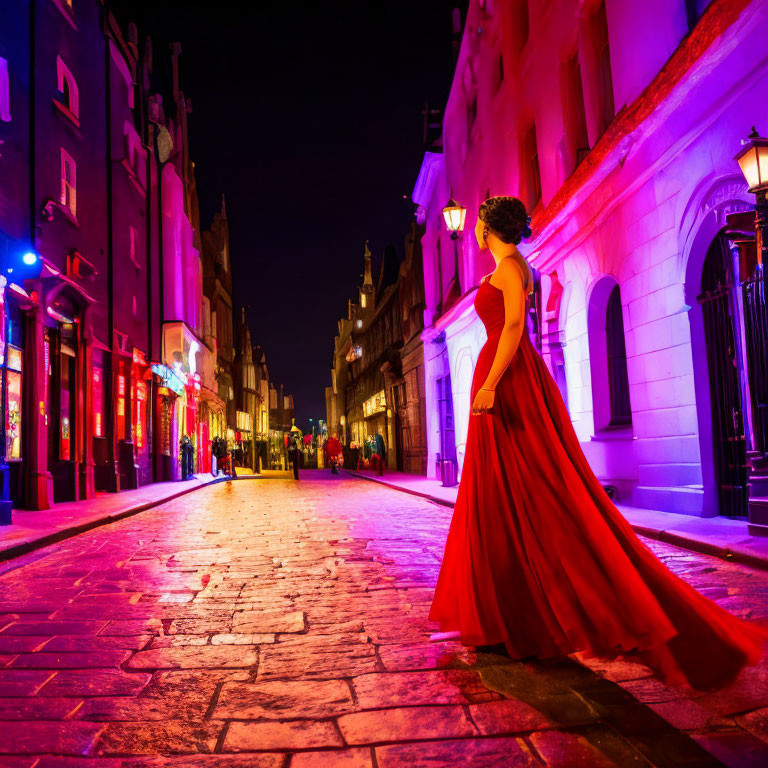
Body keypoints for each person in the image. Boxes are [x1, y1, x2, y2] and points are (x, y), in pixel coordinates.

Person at [429, 196, 766, 691]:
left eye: (479, 222)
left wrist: (489, 384)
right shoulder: (512, 266)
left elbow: (515, 331)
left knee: (523, 489)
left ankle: (522, 612)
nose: (475, 230)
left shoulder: (508, 270)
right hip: (513, 381)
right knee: (508, 491)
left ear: (489, 227)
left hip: (508, 383)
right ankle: (513, 609)